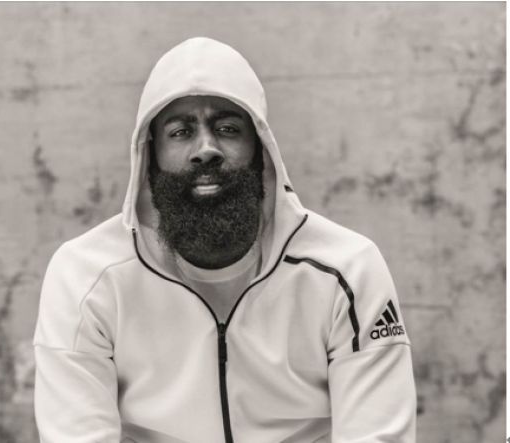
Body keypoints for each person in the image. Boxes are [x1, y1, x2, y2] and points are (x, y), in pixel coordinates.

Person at [33, 37, 416, 443]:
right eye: (180, 131)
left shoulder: (347, 270)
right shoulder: (86, 276)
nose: (205, 150)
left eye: (228, 129)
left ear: (262, 149)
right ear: (150, 156)